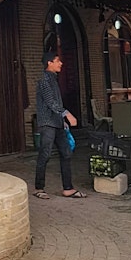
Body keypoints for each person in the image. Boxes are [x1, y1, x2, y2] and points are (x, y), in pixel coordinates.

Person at [34, 51, 86, 199]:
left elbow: (55, 103)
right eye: (57, 60)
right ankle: (39, 188)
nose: (60, 63)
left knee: (66, 153)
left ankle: (68, 188)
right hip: (47, 124)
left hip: (57, 123)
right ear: (49, 63)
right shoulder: (44, 80)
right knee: (45, 154)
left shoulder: (54, 80)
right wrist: (67, 114)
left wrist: (62, 121)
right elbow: (51, 102)